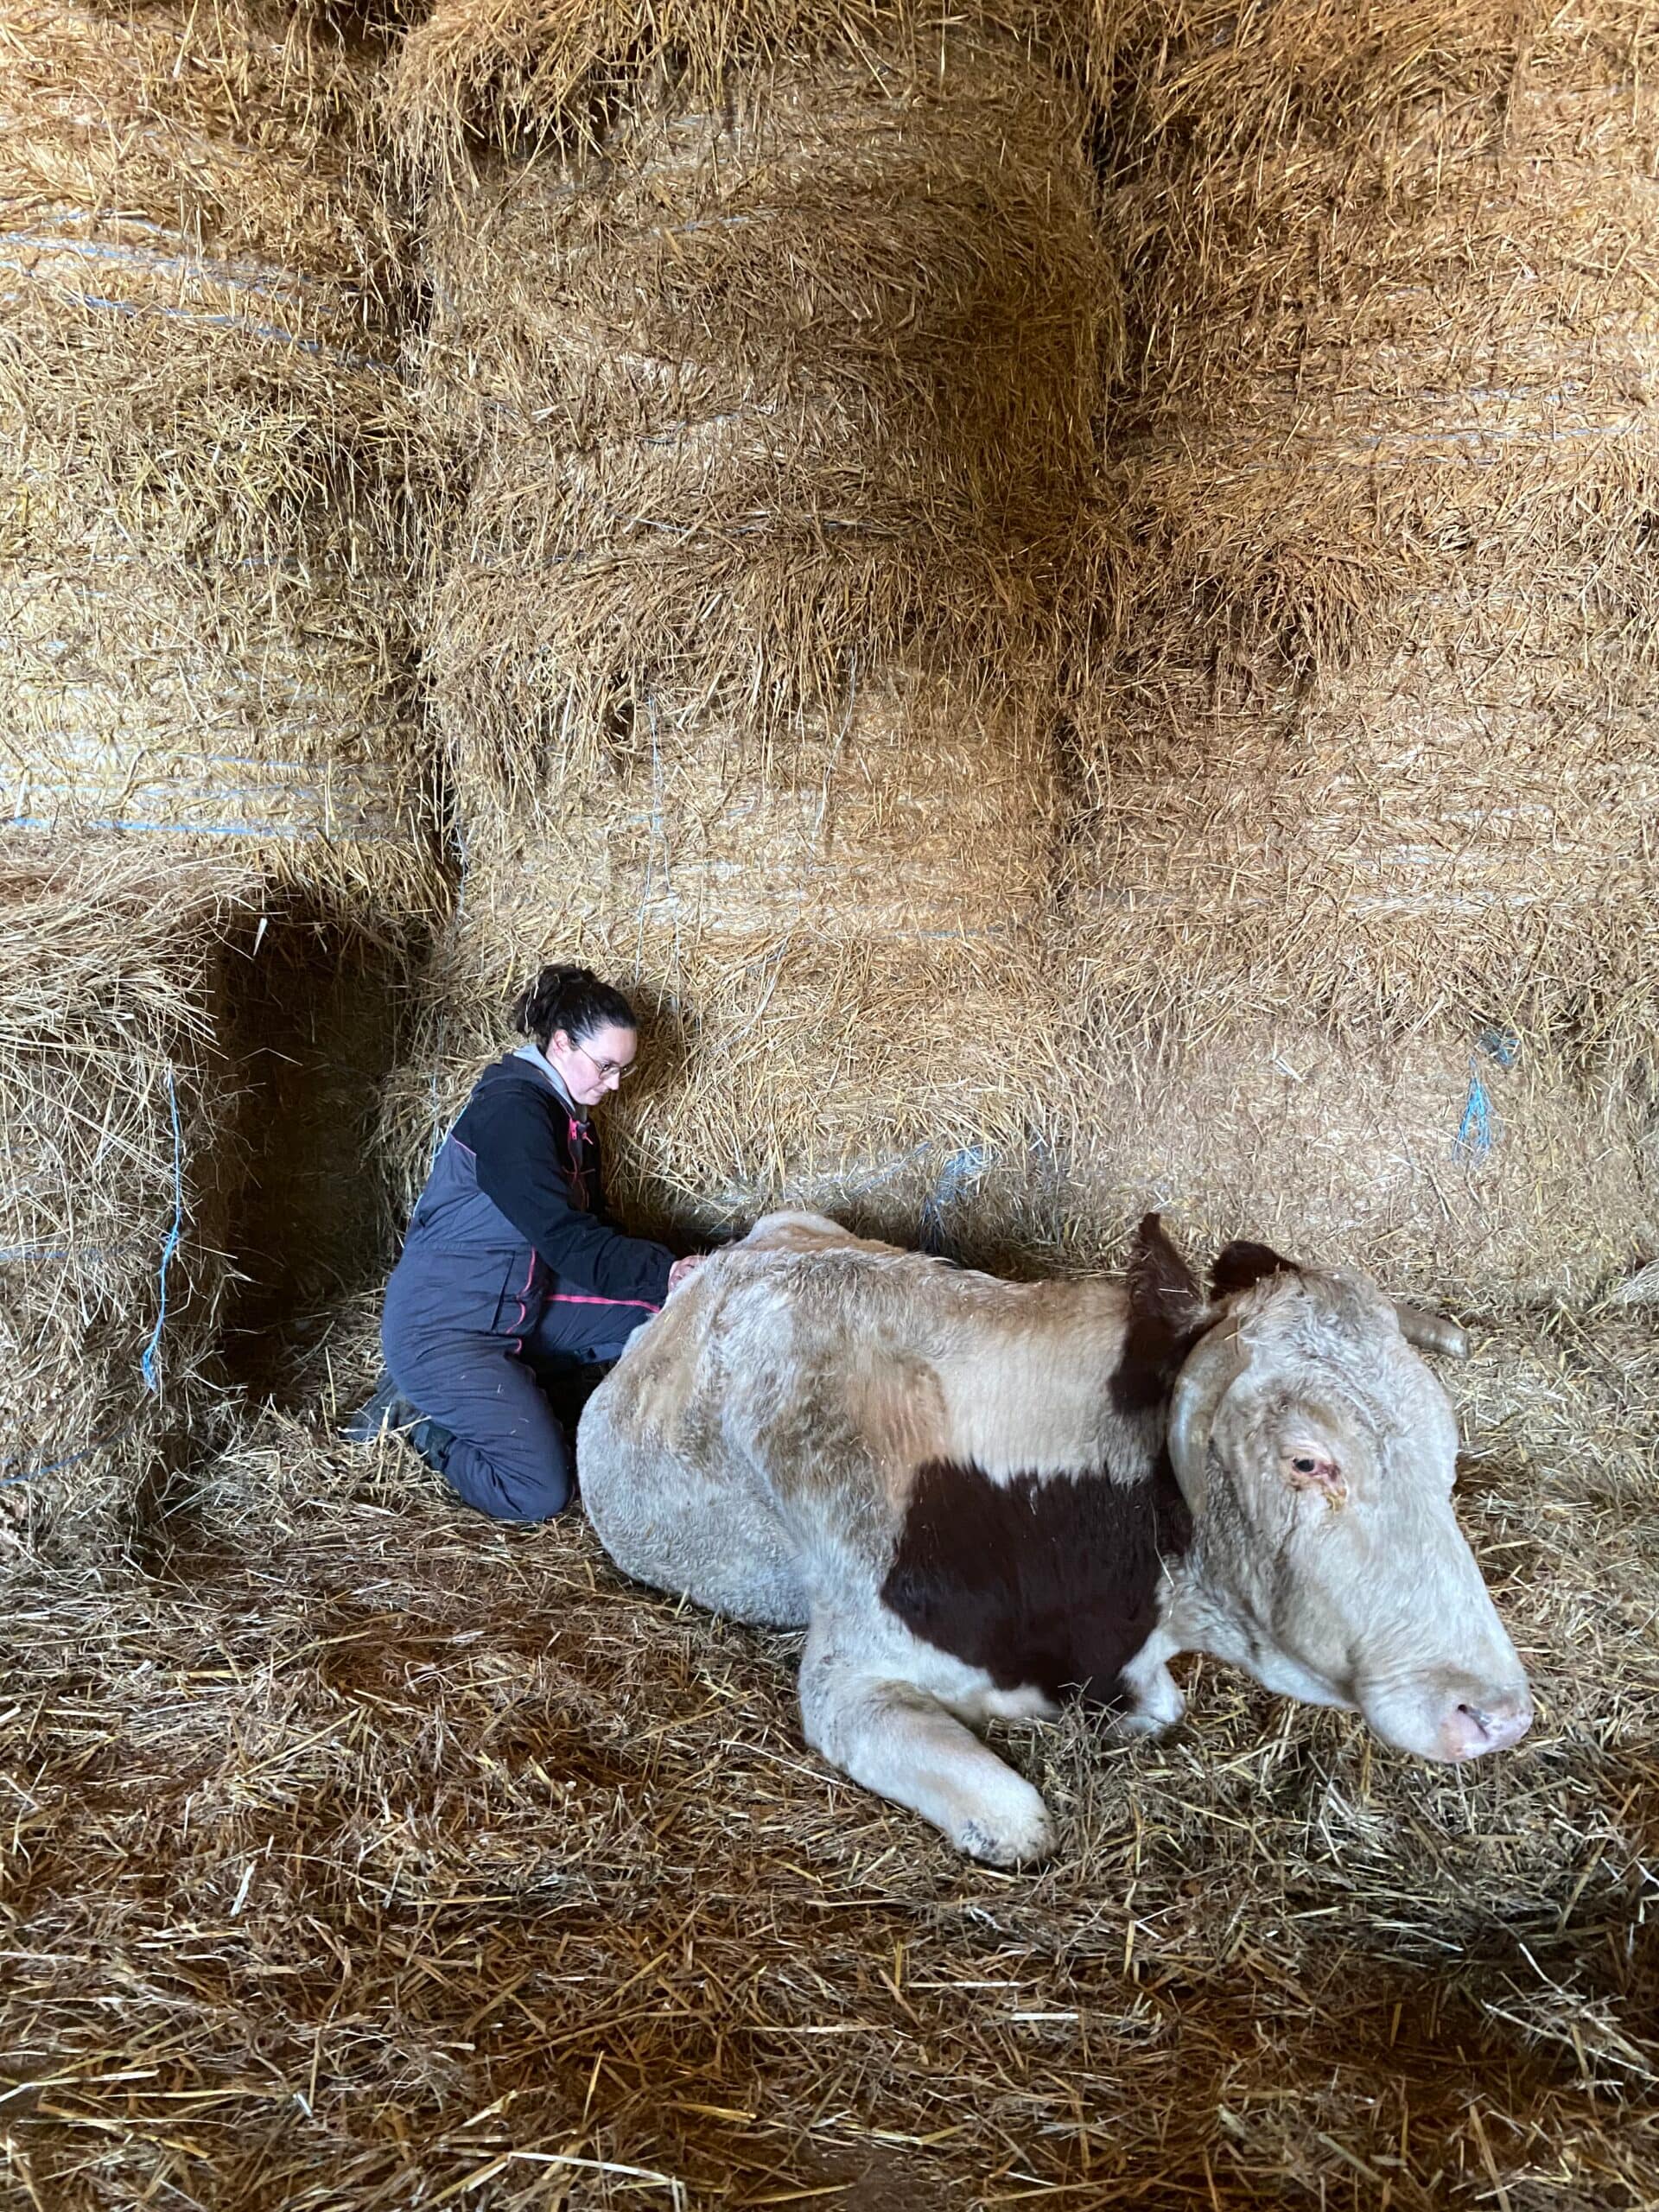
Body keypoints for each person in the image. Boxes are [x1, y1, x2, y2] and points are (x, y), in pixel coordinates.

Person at [346, 963, 701, 1522]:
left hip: (519, 1301)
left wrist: (674, 1280)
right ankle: (427, 1426)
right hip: (447, 1326)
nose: (614, 1085)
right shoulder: (513, 1113)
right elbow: (565, 1238)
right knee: (539, 1492)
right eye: (606, 1067)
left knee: (671, 1312)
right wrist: (664, 1269)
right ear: (561, 1043)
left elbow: (595, 1229)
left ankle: (512, 1392)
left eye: (622, 1070)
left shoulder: (572, 1122)